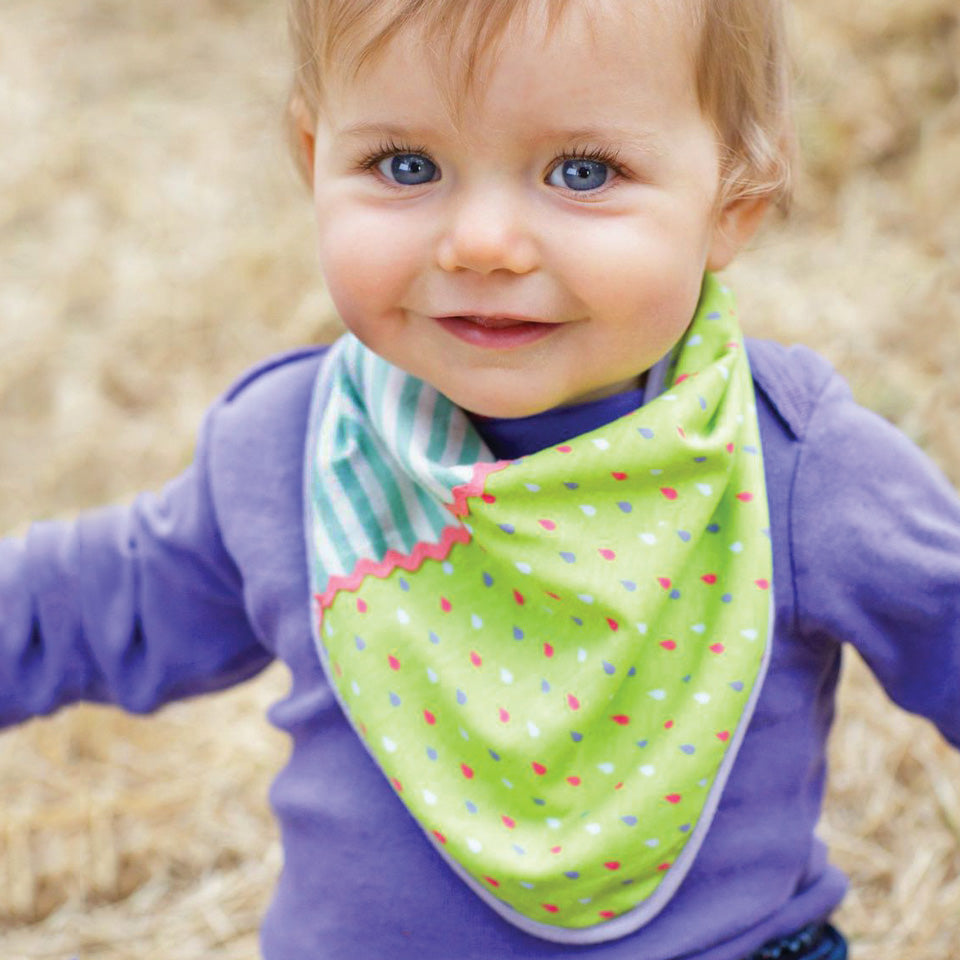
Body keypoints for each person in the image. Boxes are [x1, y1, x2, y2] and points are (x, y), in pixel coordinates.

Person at [2, 0, 958, 957]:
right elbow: (90, 605)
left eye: (583, 173)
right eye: (406, 167)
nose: (482, 243)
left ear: (733, 202)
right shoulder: (294, 452)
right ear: (311, 155)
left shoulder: (789, 469)